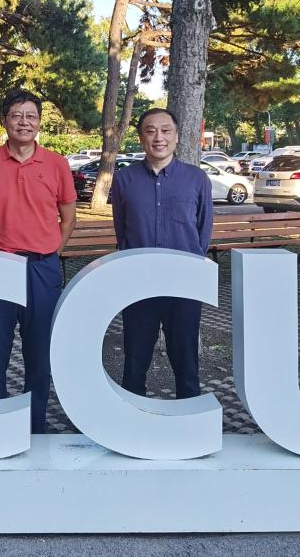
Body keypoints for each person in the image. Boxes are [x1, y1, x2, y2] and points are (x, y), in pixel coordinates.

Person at [0, 90, 77, 433]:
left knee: (39, 355)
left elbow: (68, 218)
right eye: (16, 115)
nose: (24, 122)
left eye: (31, 116)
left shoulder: (56, 164)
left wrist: (51, 251)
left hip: (42, 269)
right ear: (5, 121)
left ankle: (35, 427)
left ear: (39, 122)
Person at [110, 107, 214, 399]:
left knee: (186, 362)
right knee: (134, 360)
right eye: (151, 131)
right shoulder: (124, 179)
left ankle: (189, 418)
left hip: (184, 285)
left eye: (166, 131)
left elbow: (203, 232)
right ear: (141, 138)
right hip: (138, 284)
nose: (159, 137)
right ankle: (132, 416)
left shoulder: (196, 179)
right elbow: (122, 231)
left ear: (177, 136)